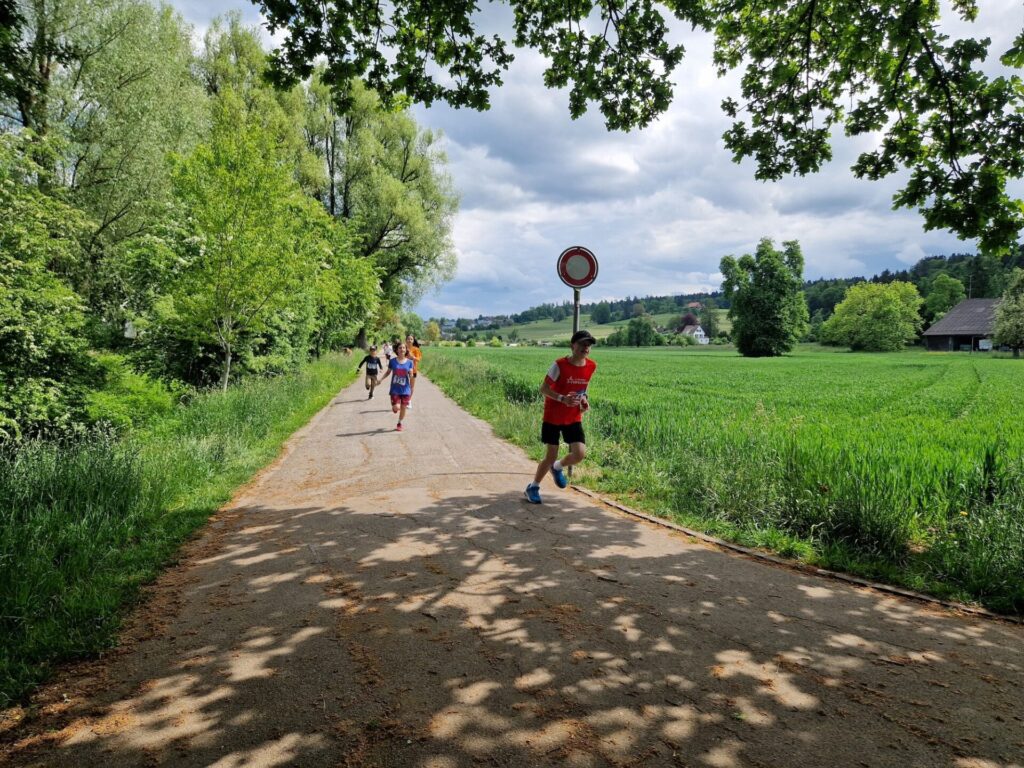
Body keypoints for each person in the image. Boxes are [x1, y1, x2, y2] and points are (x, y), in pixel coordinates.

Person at [524, 330, 597, 504]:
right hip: (553, 416)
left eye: (588, 345)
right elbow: (544, 389)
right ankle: (533, 487)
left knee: (579, 454)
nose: (586, 347)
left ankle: (557, 467)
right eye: (582, 344)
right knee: (550, 455)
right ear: (572, 346)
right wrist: (563, 399)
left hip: (573, 416)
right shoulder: (559, 365)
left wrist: (584, 400)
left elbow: (583, 388)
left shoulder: (591, 366)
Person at [378, 341, 415, 431]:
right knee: (396, 407)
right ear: (397, 350)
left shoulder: (410, 362)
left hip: (405, 389)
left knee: (403, 408)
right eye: (400, 348)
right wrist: (381, 379)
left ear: (406, 350)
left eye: (403, 348)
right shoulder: (392, 361)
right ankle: (395, 407)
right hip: (395, 389)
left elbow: (411, 374)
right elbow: (388, 372)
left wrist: (411, 376)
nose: (402, 349)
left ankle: (399, 423)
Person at [405, 334, 423, 403]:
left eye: (411, 339)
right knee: (404, 385)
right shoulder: (403, 348)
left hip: (413, 370)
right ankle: (404, 399)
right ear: (406, 340)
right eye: (408, 339)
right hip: (403, 369)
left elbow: (418, 359)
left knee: (411, 386)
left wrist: (412, 357)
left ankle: (408, 400)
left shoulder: (416, 349)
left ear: (413, 341)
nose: (409, 340)